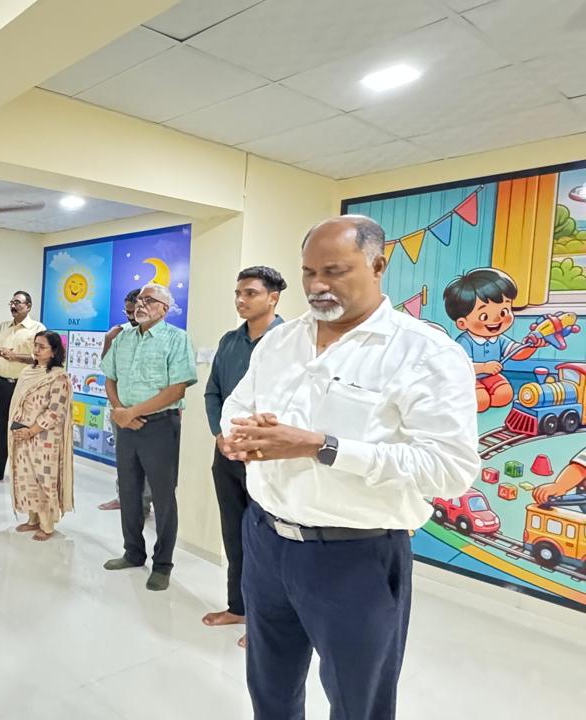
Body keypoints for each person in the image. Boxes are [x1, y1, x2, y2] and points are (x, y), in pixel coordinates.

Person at [220, 215, 479, 719]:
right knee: (269, 688)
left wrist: (322, 446)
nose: (317, 286)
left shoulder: (425, 354)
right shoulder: (280, 341)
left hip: (354, 556)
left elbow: (449, 468)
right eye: (309, 272)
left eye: (334, 271)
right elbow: (238, 405)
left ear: (378, 266)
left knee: (359, 700)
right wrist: (239, 435)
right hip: (266, 539)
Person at [202, 265, 286, 649]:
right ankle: (238, 607)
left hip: (266, 459)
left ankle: (265, 622)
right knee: (234, 536)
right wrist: (221, 436)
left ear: (273, 297)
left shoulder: (290, 343)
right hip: (227, 454)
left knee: (266, 543)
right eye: (238, 293)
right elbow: (213, 392)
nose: (241, 300)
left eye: (250, 293)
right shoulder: (229, 341)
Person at [100, 284, 197, 591]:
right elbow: (110, 378)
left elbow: (177, 389)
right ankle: (133, 552)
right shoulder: (123, 338)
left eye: (149, 300)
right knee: (129, 491)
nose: (141, 304)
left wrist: (132, 412)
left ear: (164, 309)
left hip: (160, 426)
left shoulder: (177, 339)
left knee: (163, 497)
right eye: (139, 299)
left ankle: (163, 564)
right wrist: (120, 411)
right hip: (126, 425)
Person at [442, 268, 543, 413]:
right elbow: (461, 366)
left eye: (504, 311)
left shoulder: (499, 339)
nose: (497, 319)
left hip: (491, 376)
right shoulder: (465, 341)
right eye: (484, 316)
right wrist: (483, 367)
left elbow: (516, 352)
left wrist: (532, 345)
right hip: (469, 378)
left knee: (505, 395)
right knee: (481, 401)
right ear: (462, 323)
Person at [8, 331, 74, 541]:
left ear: (54, 352)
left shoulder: (59, 377)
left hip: (44, 438)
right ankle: (32, 518)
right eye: (35, 345)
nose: (36, 350)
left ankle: (47, 525)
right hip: (22, 433)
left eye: (42, 347)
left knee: (44, 479)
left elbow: (55, 411)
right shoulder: (28, 371)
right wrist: (20, 429)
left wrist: (32, 430)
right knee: (26, 476)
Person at [0, 290, 45, 486]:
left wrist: (16, 356)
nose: (13, 306)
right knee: (1, 428)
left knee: (23, 428)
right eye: (11, 302)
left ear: (28, 306)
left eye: (18, 302)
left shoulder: (38, 328)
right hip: (3, 384)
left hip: (26, 387)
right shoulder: (3, 327)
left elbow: (41, 357)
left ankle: (25, 474)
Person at [99, 288, 141, 511]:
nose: (130, 316)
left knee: (147, 460)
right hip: (119, 407)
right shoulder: (120, 333)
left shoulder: (161, 336)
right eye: (127, 312)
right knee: (124, 458)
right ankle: (124, 498)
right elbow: (107, 369)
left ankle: (144, 504)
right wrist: (108, 339)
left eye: (134, 311)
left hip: (145, 409)